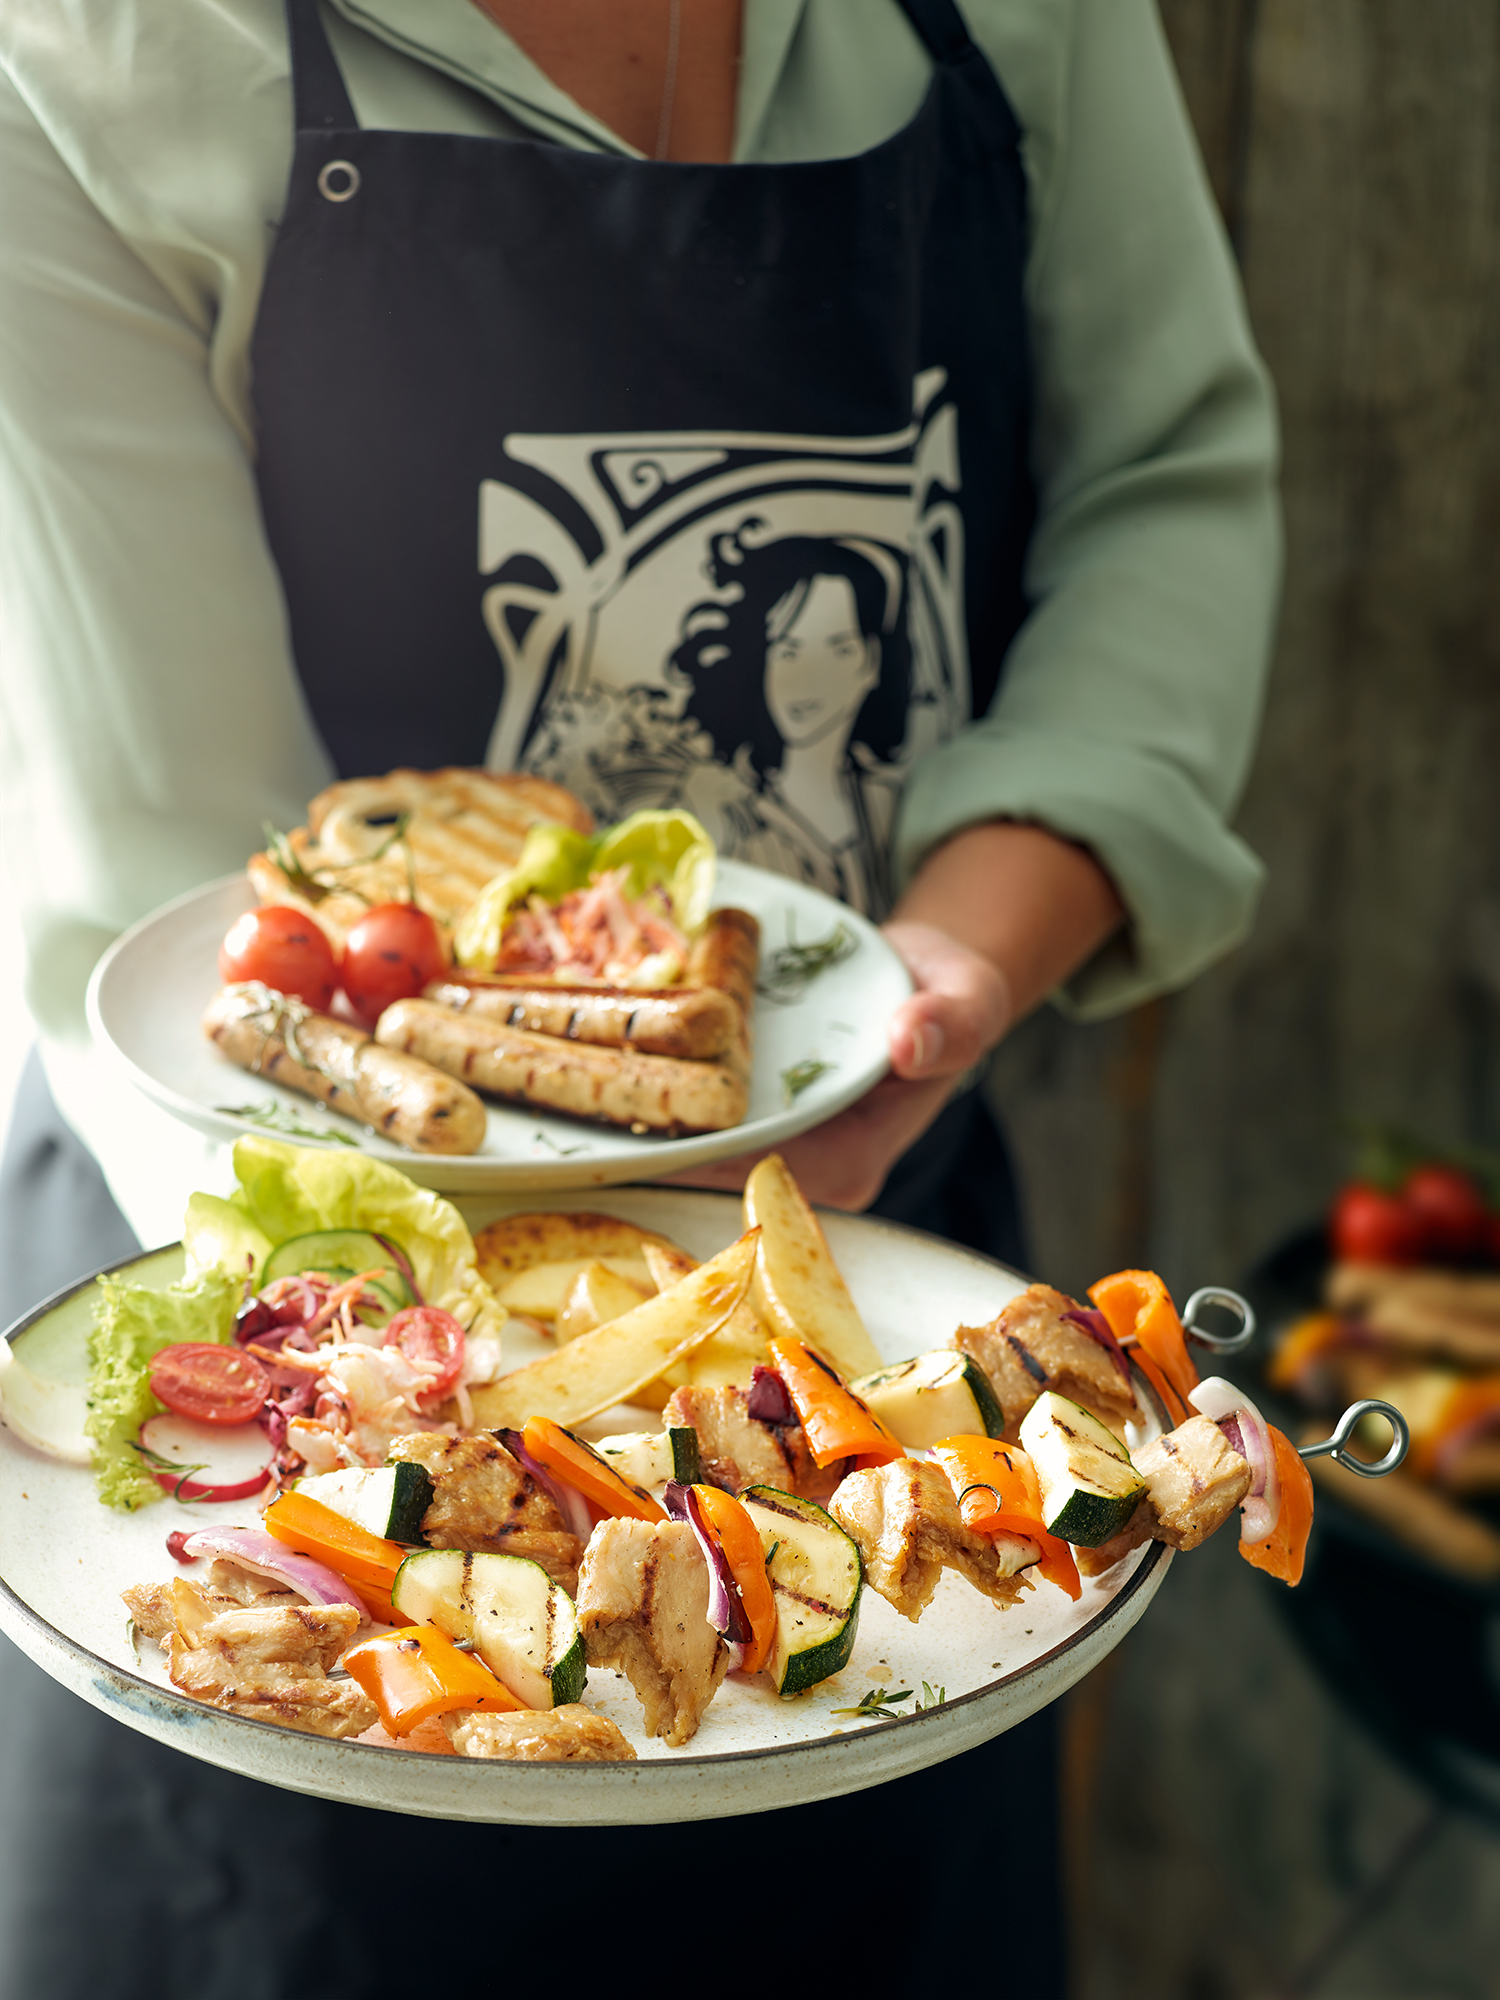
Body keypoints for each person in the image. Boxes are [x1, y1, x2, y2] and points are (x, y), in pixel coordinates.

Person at [0, 1, 1279, 1993]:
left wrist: (967, 946)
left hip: (871, 1270)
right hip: (297, 1379)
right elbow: (187, 884)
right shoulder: (91, 58)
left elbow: (1168, 486)